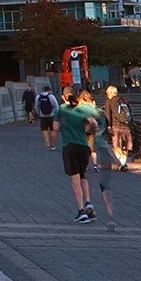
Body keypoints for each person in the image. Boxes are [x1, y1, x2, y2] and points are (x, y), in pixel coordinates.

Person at [57, 87, 100, 222]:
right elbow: (94, 123)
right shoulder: (83, 109)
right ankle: (88, 202)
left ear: (64, 97)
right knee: (83, 175)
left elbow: (55, 127)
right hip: (83, 146)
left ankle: (81, 211)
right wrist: (88, 131)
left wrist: (65, 127)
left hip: (69, 146)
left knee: (75, 179)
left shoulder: (62, 109)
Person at [88, 89, 119, 224]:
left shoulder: (81, 114)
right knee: (104, 185)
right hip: (103, 152)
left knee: (91, 183)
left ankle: (90, 208)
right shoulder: (99, 114)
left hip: (90, 150)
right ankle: (109, 215)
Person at [104, 84, 132, 169]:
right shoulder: (123, 100)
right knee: (125, 146)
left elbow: (107, 114)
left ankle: (123, 163)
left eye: (107, 93)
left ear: (111, 93)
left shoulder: (109, 101)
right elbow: (130, 112)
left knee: (116, 146)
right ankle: (124, 163)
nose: (107, 95)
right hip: (126, 126)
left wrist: (108, 126)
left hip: (115, 126)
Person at [35, 82, 58, 150]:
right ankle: (53, 145)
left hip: (42, 116)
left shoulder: (38, 96)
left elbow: (36, 106)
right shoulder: (51, 96)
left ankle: (47, 143)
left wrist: (39, 114)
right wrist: (56, 115)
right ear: (49, 90)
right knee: (53, 130)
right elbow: (56, 106)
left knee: (44, 130)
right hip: (51, 116)